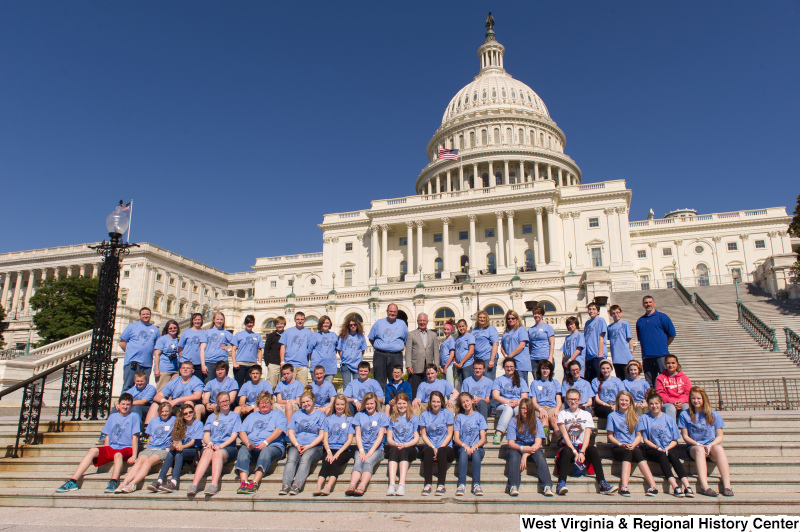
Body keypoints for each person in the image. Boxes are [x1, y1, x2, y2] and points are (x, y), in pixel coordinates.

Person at [57, 393, 139, 494]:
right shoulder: (113, 417)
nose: (125, 407)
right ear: (119, 404)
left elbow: (134, 437)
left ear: (131, 405)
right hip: (113, 447)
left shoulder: (134, 416)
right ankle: (73, 481)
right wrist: (106, 451)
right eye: (123, 404)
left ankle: (113, 482)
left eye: (127, 404)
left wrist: (134, 455)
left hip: (126, 447)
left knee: (118, 455)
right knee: (92, 450)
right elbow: (108, 435)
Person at [555, 389, 615, 495]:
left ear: (579, 400)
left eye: (575, 399)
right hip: (569, 448)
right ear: (566, 400)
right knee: (567, 451)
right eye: (570, 399)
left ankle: (602, 482)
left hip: (582, 447)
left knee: (592, 449)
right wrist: (575, 452)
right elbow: (565, 435)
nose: (573, 402)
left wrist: (582, 451)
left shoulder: (586, 414)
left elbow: (587, 434)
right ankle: (561, 483)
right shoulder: (562, 414)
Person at [637, 390, 694, 497]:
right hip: (653, 449)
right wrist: (657, 448)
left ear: (661, 404)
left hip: (669, 447)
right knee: (663, 454)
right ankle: (675, 486)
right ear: (648, 405)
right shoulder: (644, 418)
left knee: (672, 455)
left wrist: (667, 448)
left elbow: (675, 440)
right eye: (651, 404)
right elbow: (645, 439)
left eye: (657, 403)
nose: (654, 406)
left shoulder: (668, 418)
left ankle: (687, 486)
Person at [678, 387, 733, 497]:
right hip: (694, 447)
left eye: (698, 398)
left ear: (704, 399)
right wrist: (699, 444)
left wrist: (710, 445)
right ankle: (705, 486)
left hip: (710, 446)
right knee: (699, 450)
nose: (696, 401)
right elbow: (685, 436)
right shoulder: (685, 414)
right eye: (693, 398)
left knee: (719, 448)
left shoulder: (713, 414)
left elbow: (720, 436)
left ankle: (727, 486)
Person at [187, 391, 242, 497]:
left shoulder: (235, 416)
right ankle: (194, 484)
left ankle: (214, 484)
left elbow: (234, 436)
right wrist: (210, 443)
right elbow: (206, 435)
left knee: (217, 453)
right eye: (222, 402)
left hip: (228, 447)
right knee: (207, 452)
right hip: (212, 445)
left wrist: (220, 446)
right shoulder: (212, 417)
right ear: (218, 403)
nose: (225, 403)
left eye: (227, 401)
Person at [605, 391, 658, 496]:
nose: (624, 402)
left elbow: (639, 436)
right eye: (622, 400)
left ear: (630, 402)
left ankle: (653, 486)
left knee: (637, 451)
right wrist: (620, 444)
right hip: (618, 448)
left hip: (632, 446)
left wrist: (633, 445)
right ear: (617, 401)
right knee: (627, 452)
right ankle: (624, 487)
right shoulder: (612, 416)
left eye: (626, 400)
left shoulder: (636, 416)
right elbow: (610, 435)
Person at [115, 402, 175, 493]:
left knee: (147, 462)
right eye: (162, 411)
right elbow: (150, 436)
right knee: (139, 462)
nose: (164, 413)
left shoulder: (174, 420)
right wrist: (148, 444)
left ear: (170, 411)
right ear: (159, 412)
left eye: (167, 411)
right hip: (151, 447)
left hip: (163, 448)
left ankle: (133, 484)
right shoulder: (153, 421)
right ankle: (124, 483)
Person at [234, 391, 287, 494]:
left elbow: (279, 430)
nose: (264, 405)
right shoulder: (252, 416)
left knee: (266, 452)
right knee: (243, 450)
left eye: (266, 403)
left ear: (271, 404)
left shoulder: (278, 414)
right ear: (258, 404)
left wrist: (266, 442)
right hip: (253, 447)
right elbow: (242, 432)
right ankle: (244, 483)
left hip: (272, 446)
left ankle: (254, 483)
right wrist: (247, 443)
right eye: (262, 403)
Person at [280, 387, 326, 495]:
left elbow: (321, 435)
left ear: (313, 401)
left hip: (315, 446)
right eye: (303, 402)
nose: (306, 404)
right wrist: (296, 444)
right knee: (291, 459)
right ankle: (286, 485)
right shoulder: (297, 414)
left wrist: (309, 446)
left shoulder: (320, 415)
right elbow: (291, 432)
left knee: (305, 459)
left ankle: (297, 485)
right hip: (297, 444)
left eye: (308, 401)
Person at [504, 397, 553, 497]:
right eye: (522, 408)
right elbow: (511, 443)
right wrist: (522, 449)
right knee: (514, 457)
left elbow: (538, 443)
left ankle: (547, 485)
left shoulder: (536, 422)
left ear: (531, 409)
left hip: (531, 447)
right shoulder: (514, 421)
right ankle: (513, 485)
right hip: (516, 447)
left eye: (527, 409)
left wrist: (525, 454)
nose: (525, 411)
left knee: (540, 456)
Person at [149, 403, 203, 493]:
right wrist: (176, 446)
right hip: (182, 449)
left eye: (190, 412)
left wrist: (181, 447)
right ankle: (160, 480)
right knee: (172, 451)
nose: (189, 414)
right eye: (185, 413)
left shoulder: (198, 424)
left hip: (194, 450)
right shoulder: (179, 424)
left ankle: (174, 482)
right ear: (182, 415)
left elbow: (192, 442)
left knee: (179, 453)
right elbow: (178, 440)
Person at [345, 392, 388, 496]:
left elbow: (380, 436)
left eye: (372, 403)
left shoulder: (382, 416)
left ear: (376, 404)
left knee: (368, 461)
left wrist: (370, 452)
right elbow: (358, 436)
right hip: (362, 447)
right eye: (367, 404)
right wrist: (361, 451)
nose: (369, 406)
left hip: (377, 449)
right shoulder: (359, 415)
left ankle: (362, 485)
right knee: (358, 462)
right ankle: (352, 485)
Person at [313, 394, 355, 496]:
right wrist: (329, 452)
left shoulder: (349, 419)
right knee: (326, 463)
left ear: (345, 405)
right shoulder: (328, 419)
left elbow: (349, 440)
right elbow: (325, 438)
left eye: (342, 404)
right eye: (337, 404)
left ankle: (328, 487)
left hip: (343, 450)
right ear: (334, 405)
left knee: (335, 463)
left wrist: (337, 454)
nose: (340, 407)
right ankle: (318, 487)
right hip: (329, 448)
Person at [419, 391, 455, 496]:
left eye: (438, 402)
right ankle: (428, 484)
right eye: (434, 401)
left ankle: (441, 485)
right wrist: (433, 447)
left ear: (442, 402)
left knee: (442, 451)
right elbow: (424, 435)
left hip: (446, 447)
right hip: (430, 445)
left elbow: (449, 434)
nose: (436, 404)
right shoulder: (424, 415)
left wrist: (440, 448)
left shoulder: (447, 413)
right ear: (430, 402)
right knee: (428, 451)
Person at [146, 361, 203, 425]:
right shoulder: (174, 382)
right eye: (183, 368)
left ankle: (191, 427)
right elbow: (157, 396)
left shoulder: (196, 381)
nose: (185, 369)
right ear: (180, 370)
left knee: (188, 403)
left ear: (192, 371)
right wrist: (165, 401)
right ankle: (147, 430)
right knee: (155, 405)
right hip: (175, 406)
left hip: (190, 405)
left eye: (188, 368)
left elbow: (197, 396)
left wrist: (177, 400)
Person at [636, 295, 677, 386]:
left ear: (654, 303)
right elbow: (640, 338)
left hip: (661, 355)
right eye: (646, 303)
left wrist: (664, 346)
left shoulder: (662, 317)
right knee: (650, 384)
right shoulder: (640, 321)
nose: (648, 304)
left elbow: (671, 335)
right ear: (643, 305)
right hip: (647, 357)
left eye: (650, 302)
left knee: (665, 380)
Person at [453, 391, 488, 496]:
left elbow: (483, 438)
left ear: (472, 401)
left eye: (467, 401)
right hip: (463, 447)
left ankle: (477, 484)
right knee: (463, 452)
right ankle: (462, 484)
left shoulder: (479, 417)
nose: (466, 404)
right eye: (463, 402)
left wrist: (476, 445)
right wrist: (465, 446)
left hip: (477, 447)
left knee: (476, 453)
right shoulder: (459, 418)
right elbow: (456, 438)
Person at [368, 304, 409, 392]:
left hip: (396, 355)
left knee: (396, 379)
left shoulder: (402, 324)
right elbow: (371, 338)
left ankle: (394, 401)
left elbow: (406, 340)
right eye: (390, 311)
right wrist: (380, 346)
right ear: (387, 312)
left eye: (394, 312)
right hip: (380, 355)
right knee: (379, 379)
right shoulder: (379, 323)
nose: (392, 313)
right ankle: (379, 401)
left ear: (397, 313)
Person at [385, 392, 420, 496]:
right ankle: (391, 484)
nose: (402, 406)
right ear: (396, 405)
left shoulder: (413, 418)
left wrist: (405, 445)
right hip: (396, 446)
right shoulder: (391, 419)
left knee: (403, 450)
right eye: (399, 404)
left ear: (408, 404)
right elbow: (389, 439)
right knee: (394, 450)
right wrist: (396, 444)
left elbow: (416, 438)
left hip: (410, 447)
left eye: (404, 403)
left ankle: (402, 484)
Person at [118, 307, 160, 392]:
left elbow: (157, 347)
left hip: (147, 363)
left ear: (150, 315)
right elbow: (122, 343)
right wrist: (130, 352)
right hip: (132, 362)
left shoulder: (155, 329)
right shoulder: (132, 327)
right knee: (128, 386)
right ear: (140, 315)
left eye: (147, 314)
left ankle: (139, 405)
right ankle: (123, 404)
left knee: (144, 387)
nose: (145, 316)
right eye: (143, 314)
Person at [492, 358, 530, 444]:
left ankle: (521, 433)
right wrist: (508, 402)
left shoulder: (521, 380)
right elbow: (495, 396)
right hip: (502, 406)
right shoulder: (498, 380)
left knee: (518, 409)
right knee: (508, 409)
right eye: (507, 367)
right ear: (504, 367)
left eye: (511, 366)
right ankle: (498, 433)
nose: (509, 368)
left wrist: (516, 402)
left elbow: (524, 397)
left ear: (515, 367)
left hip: (517, 404)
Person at [405, 313, 439, 397]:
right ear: (417, 322)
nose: (422, 322)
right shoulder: (411, 334)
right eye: (420, 320)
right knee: (415, 389)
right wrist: (409, 365)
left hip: (429, 366)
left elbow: (436, 352)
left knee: (429, 388)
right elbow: (408, 351)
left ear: (427, 322)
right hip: (415, 367)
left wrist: (437, 366)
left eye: (424, 320)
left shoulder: (433, 335)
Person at [530, 360, 561, 442]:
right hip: (539, 407)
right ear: (540, 370)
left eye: (547, 368)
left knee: (554, 420)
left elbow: (558, 399)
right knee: (544, 418)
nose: (545, 371)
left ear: (550, 370)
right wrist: (540, 409)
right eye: (543, 368)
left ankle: (560, 438)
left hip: (552, 406)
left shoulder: (555, 383)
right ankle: (545, 438)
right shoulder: (535, 383)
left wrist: (557, 410)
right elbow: (533, 401)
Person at [280, 311, 313, 385]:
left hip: (303, 364)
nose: (300, 321)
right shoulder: (288, 331)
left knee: (302, 387)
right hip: (289, 363)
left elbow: (310, 349)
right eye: (298, 319)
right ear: (295, 320)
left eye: (302, 319)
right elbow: (283, 346)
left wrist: (311, 363)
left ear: (304, 320)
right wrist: (282, 361)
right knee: (287, 386)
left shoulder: (309, 332)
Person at [231, 314, 264, 388]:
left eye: (251, 322)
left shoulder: (257, 336)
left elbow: (259, 351)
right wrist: (234, 362)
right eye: (248, 322)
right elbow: (233, 349)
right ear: (245, 323)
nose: (249, 324)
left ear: (253, 324)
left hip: (252, 365)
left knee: (250, 386)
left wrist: (259, 363)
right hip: (240, 365)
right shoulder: (239, 334)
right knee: (238, 386)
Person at [655, 354, 691, 420]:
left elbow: (688, 393)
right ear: (665, 364)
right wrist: (672, 401)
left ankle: (686, 428)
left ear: (677, 364)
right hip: (667, 403)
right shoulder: (660, 378)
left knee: (686, 407)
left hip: (682, 402)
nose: (671, 365)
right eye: (668, 363)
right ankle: (672, 429)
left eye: (673, 363)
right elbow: (660, 394)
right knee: (670, 408)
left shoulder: (684, 377)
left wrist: (681, 401)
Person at [336, 314, 367, 391]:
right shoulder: (343, 336)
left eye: (354, 324)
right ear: (347, 326)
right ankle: (348, 403)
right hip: (346, 364)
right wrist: (344, 357)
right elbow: (340, 349)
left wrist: (357, 357)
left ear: (358, 325)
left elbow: (363, 350)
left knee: (357, 385)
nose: (353, 326)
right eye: (350, 325)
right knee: (346, 385)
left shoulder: (361, 336)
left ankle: (356, 402)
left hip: (357, 364)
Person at [202, 312, 234, 383]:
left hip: (222, 361)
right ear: (214, 320)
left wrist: (228, 349)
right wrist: (203, 364)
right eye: (217, 319)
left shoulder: (227, 333)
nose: (219, 321)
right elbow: (202, 349)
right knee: (209, 383)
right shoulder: (207, 332)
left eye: (221, 319)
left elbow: (236, 345)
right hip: (209, 361)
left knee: (222, 383)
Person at [122, 371, 156, 436]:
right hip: (134, 408)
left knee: (136, 407)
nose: (139, 383)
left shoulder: (150, 388)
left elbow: (143, 402)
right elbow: (123, 398)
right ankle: (106, 434)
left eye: (141, 381)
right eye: (137, 381)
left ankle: (136, 433)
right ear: (134, 381)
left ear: (146, 380)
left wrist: (127, 404)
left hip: (147, 409)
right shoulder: (132, 389)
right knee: (116, 408)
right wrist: (117, 403)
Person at [527, 306, 555, 380]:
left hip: (545, 357)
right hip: (534, 359)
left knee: (547, 379)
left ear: (542, 315)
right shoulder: (530, 329)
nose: (536, 315)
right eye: (535, 314)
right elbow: (530, 345)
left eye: (538, 314)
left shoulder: (547, 327)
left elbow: (552, 343)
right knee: (536, 380)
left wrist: (550, 358)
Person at [501, 310, 530, 382]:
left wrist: (510, 356)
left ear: (517, 319)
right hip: (509, 364)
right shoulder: (506, 332)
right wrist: (505, 356)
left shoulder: (521, 330)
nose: (511, 320)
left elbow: (522, 345)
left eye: (513, 318)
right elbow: (502, 346)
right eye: (509, 318)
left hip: (520, 363)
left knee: (521, 384)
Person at [152, 319, 181, 391]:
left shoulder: (179, 339)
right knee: (162, 390)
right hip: (164, 369)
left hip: (175, 370)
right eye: (170, 328)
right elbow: (157, 354)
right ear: (167, 329)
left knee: (174, 390)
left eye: (174, 328)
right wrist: (157, 369)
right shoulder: (162, 339)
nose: (173, 330)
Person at [308, 315, 339, 382]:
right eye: (324, 323)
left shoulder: (334, 335)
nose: (325, 325)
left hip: (330, 367)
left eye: (327, 323)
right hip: (317, 367)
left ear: (330, 324)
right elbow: (310, 351)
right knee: (316, 389)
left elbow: (336, 349)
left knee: (327, 388)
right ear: (321, 324)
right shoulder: (315, 335)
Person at [607, 305, 634, 379]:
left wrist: (631, 352)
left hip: (625, 355)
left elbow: (630, 339)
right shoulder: (609, 327)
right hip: (616, 356)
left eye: (617, 312)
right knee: (619, 377)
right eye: (613, 313)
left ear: (621, 313)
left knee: (627, 377)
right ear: (610, 314)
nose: (616, 315)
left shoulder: (625, 324)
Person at [583, 302, 607, 383]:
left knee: (599, 380)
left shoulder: (600, 320)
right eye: (590, 309)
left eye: (594, 309)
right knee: (589, 380)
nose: (591, 311)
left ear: (598, 311)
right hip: (588, 357)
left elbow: (601, 338)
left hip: (597, 356)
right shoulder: (587, 323)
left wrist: (600, 357)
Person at [472, 311, 499, 380]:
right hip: (478, 359)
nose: (482, 319)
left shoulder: (491, 329)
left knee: (489, 380)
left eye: (484, 318)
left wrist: (492, 360)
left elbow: (495, 344)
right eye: (480, 317)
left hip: (487, 358)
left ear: (487, 319)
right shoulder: (474, 330)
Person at [178, 313, 208, 378]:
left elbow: (203, 349)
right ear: (192, 321)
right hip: (185, 362)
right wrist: (183, 358)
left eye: (199, 320)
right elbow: (180, 348)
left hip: (197, 363)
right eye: (195, 319)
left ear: (201, 321)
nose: (197, 321)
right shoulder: (186, 332)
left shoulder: (204, 333)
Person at [263, 316, 286, 389]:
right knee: (271, 385)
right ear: (275, 325)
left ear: (284, 325)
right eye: (278, 324)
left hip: (284, 364)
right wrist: (268, 363)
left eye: (281, 324)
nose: (280, 326)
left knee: (283, 385)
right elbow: (266, 350)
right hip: (273, 364)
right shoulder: (271, 336)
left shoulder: (287, 335)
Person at [453, 319, 476, 384]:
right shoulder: (457, 338)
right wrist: (455, 363)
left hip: (467, 364)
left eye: (463, 326)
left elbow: (471, 351)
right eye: (459, 327)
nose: (461, 328)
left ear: (466, 326)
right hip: (459, 366)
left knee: (468, 383)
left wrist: (462, 362)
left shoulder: (469, 336)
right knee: (461, 384)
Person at [438, 320, 456, 386]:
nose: (446, 331)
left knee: (449, 384)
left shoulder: (451, 340)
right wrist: (440, 366)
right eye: (445, 329)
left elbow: (452, 354)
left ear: (451, 330)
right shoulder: (444, 341)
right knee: (445, 384)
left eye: (448, 329)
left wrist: (446, 366)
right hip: (443, 365)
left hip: (449, 365)